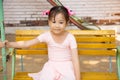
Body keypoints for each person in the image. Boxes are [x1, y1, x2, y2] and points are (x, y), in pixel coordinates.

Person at [5, 6, 81, 80]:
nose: (57, 26)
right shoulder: (46, 36)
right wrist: (8, 44)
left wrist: (78, 78)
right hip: (51, 67)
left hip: (66, 67)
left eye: (61, 22)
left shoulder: (70, 38)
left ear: (67, 23)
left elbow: (75, 60)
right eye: (53, 22)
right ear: (49, 22)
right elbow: (26, 43)